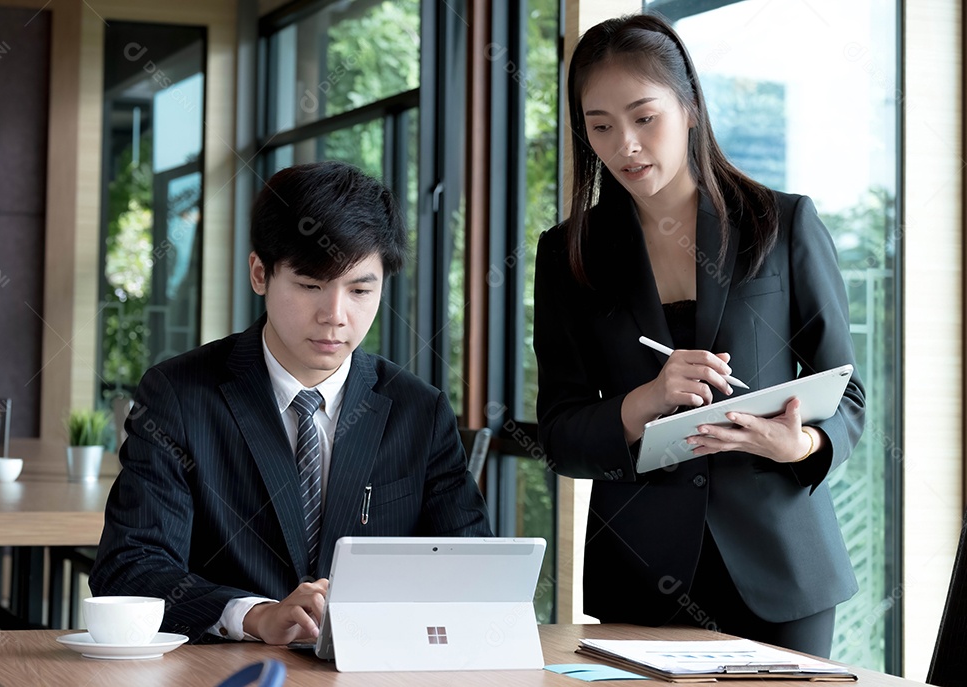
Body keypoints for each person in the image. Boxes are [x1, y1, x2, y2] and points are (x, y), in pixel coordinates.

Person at [533, 14, 865, 658]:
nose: (626, 146)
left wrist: (800, 445)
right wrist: (647, 400)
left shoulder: (782, 222)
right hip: (640, 575)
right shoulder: (569, 254)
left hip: (782, 572)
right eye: (601, 127)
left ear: (688, 109)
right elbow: (560, 436)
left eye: (644, 118)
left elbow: (848, 395)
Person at [91, 160, 492, 645]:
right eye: (310, 286)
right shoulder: (179, 395)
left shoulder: (419, 411)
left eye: (360, 290)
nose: (335, 316)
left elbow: (472, 572)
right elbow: (130, 568)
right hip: (225, 670)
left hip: (370, 669)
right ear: (260, 273)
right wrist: (254, 615)